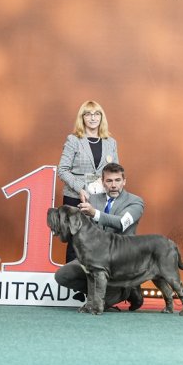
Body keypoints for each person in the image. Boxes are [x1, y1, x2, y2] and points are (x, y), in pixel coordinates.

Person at [54, 162, 145, 311]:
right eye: (109, 181)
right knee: (62, 275)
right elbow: (84, 229)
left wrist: (94, 213)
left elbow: (121, 223)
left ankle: (129, 290)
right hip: (95, 258)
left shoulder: (135, 201)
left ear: (124, 181)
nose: (113, 185)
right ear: (103, 182)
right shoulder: (94, 200)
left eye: (117, 180)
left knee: (103, 301)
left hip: (119, 262)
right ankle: (97, 294)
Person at [58, 100, 119, 262]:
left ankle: (96, 277)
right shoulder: (73, 140)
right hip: (75, 197)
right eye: (88, 114)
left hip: (101, 198)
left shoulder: (111, 142)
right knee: (76, 242)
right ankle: (73, 277)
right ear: (82, 118)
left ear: (101, 117)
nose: (93, 118)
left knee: (100, 241)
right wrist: (80, 189)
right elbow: (62, 170)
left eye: (97, 114)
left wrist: (107, 185)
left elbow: (115, 171)